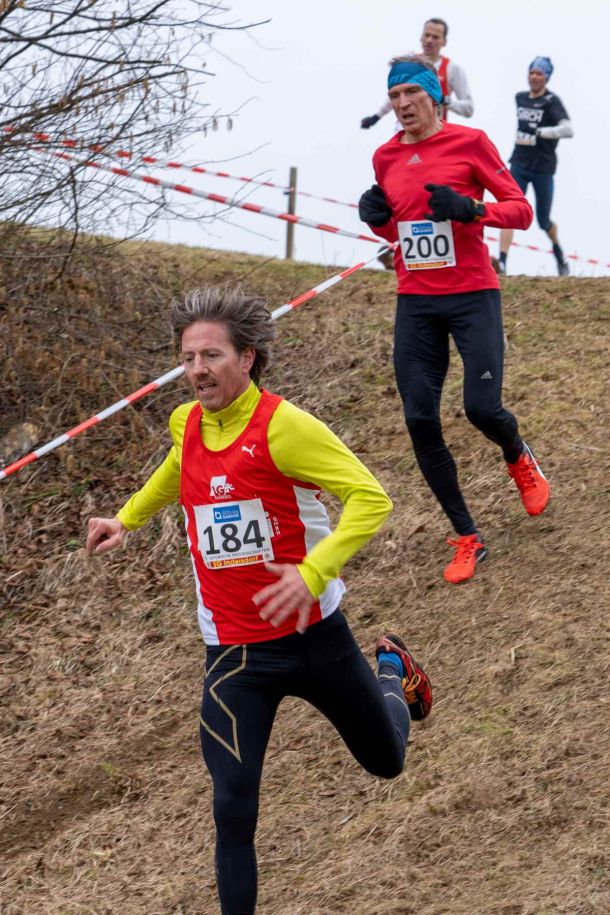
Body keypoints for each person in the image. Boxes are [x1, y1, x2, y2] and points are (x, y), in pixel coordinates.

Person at [85, 286, 433, 915]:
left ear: (246, 358)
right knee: (232, 804)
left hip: (313, 638)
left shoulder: (285, 428)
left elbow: (371, 498)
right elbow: (178, 468)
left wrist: (313, 571)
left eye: (211, 355)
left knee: (386, 762)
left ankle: (393, 671)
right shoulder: (187, 423)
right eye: (188, 358)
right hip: (233, 653)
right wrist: (126, 519)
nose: (197, 370)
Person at [358, 55, 551, 585]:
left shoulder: (471, 143)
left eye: (411, 95)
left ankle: (517, 454)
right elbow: (401, 232)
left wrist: (472, 209)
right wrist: (379, 222)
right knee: (419, 419)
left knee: (481, 408)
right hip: (416, 302)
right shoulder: (384, 157)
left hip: (472, 297)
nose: (402, 106)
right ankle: (468, 536)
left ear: (434, 97)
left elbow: (520, 210)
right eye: (394, 97)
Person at [499, 57, 573, 276]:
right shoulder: (520, 98)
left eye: (539, 73)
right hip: (519, 163)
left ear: (546, 77)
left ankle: (559, 255)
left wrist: (540, 132)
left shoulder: (552, 101)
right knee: (509, 210)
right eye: (531, 72)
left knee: (543, 220)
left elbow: (568, 130)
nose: (534, 77)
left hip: (543, 167)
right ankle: (502, 262)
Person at [360, 18, 473, 131]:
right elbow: (396, 94)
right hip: (404, 131)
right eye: (427, 35)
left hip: (433, 133)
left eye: (435, 37)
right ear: (421, 37)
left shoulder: (452, 69)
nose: (429, 40)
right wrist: (376, 117)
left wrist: (443, 100)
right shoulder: (407, 64)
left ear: (444, 42)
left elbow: (468, 109)